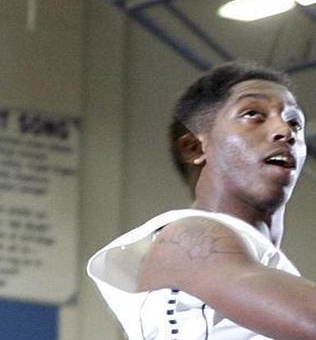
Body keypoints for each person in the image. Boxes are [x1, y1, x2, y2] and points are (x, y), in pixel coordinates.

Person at [87, 62, 313, 340]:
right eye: (253, 114)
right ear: (195, 147)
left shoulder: (273, 269)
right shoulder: (190, 235)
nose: (285, 131)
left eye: (295, 122)